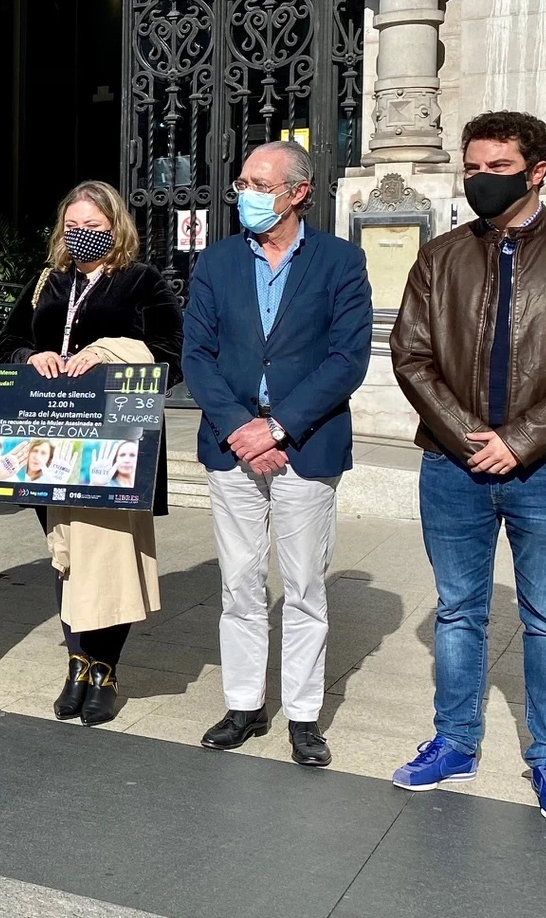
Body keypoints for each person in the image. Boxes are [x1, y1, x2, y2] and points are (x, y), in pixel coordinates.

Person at [389, 112, 546, 824]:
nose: (481, 179)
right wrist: (468, 436)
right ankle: (454, 742)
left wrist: (520, 440)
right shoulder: (440, 257)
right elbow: (411, 354)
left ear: (537, 170)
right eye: (472, 167)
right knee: (459, 609)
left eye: (497, 166)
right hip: (453, 465)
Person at [183, 141, 372, 766]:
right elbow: (197, 357)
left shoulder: (341, 262)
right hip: (231, 445)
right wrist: (241, 426)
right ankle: (243, 704)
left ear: (298, 193)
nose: (246, 194)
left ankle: (303, 715)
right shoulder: (214, 263)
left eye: (260, 184)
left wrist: (279, 428)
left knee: (303, 585)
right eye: (241, 182)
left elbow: (348, 359)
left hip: (305, 447)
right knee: (239, 583)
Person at [0, 179, 183, 727]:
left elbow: (174, 355)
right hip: (48, 441)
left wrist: (108, 353)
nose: (81, 237)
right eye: (72, 227)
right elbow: (6, 346)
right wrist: (33, 356)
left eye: (93, 229)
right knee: (68, 558)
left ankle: (105, 668)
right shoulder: (47, 282)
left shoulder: (141, 282)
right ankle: (77, 661)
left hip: (115, 444)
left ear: (115, 228)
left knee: (111, 559)